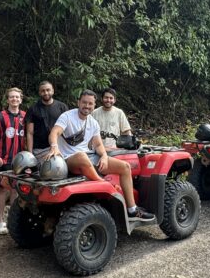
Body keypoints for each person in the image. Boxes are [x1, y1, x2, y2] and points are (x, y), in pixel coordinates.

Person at [45, 90, 155, 220]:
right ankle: (104, 184)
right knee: (82, 156)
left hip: (89, 157)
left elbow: (97, 145)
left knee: (125, 167)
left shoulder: (93, 122)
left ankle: (132, 209)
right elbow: (55, 132)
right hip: (70, 159)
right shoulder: (67, 116)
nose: (87, 106)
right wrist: (54, 147)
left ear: (94, 105)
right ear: (78, 102)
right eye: (84, 102)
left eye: (90, 104)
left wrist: (103, 156)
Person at [0, 87, 25, 235]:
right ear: (7, 99)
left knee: (16, 190)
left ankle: (13, 220)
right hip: (4, 159)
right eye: (11, 97)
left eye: (17, 97)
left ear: (21, 99)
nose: (14, 99)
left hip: (21, 160)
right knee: (2, 189)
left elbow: (29, 135)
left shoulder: (25, 116)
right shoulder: (0, 116)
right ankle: (0, 221)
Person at [24, 81, 69, 162]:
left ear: (53, 91)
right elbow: (29, 133)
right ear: (39, 92)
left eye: (48, 90)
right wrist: (30, 154)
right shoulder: (33, 109)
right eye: (43, 91)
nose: (46, 93)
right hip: (39, 150)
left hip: (59, 148)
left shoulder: (62, 107)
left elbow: (68, 129)